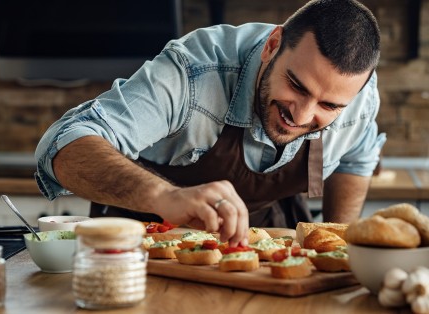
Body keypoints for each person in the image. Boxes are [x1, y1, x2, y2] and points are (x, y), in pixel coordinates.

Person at [35, 0, 386, 247]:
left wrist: (335, 244)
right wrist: (165, 196)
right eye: (296, 86)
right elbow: (63, 143)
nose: (303, 115)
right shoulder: (193, 73)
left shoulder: (360, 97)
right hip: (143, 240)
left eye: (328, 105)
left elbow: (357, 156)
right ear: (273, 45)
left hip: (268, 243)